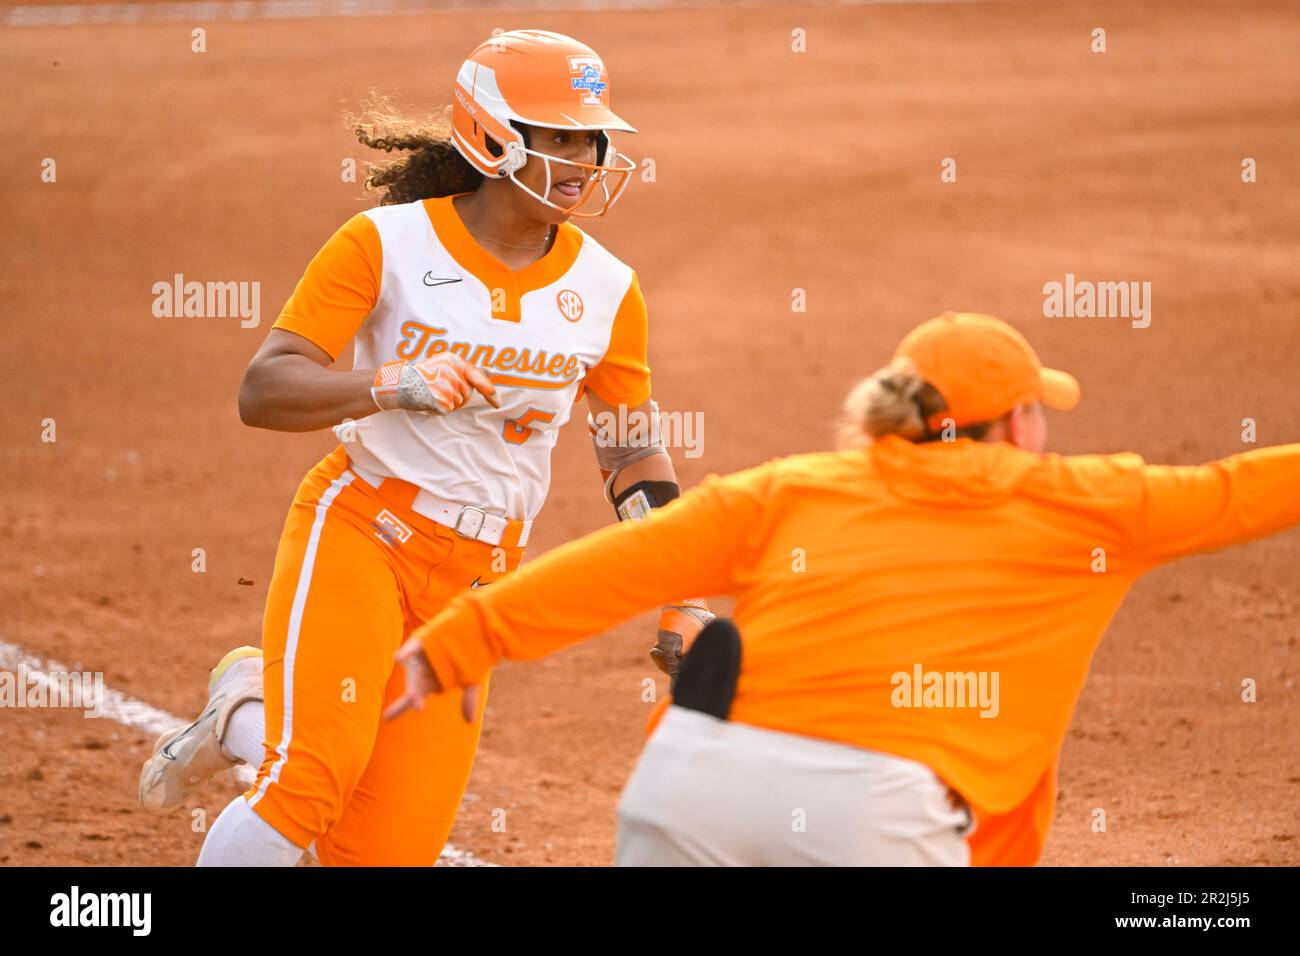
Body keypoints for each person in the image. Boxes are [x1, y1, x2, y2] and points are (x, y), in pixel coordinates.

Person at [387, 311, 1300, 866]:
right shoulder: (1094, 502)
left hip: (693, 787)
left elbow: (621, 564)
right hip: (876, 822)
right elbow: (1246, 489)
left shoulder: (794, 487)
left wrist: (463, 639)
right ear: (1017, 423)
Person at [137, 29, 712, 867]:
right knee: (308, 782)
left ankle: (245, 708)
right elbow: (264, 390)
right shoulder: (385, 245)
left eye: (591, 138)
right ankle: (265, 720)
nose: (583, 158)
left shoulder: (607, 288)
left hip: (478, 587)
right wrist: (390, 383)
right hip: (364, 533)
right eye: (556, 136)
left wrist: (684, 593)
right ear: (488, 134)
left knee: (381, 853)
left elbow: (628, 452)